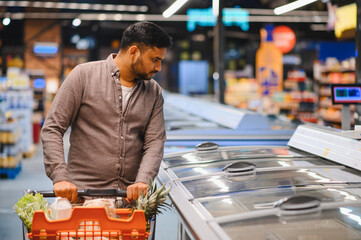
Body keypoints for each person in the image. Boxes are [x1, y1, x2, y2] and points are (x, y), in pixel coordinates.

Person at [41, 21, 172, 203]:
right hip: (83, 199)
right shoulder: (83, 76)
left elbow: (155, 141)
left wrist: (143, 180)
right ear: (134, 52)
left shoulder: (154, 91)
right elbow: (53, 128)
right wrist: (60, 176)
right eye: (154, 59)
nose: (158, 67)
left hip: (129, 202)